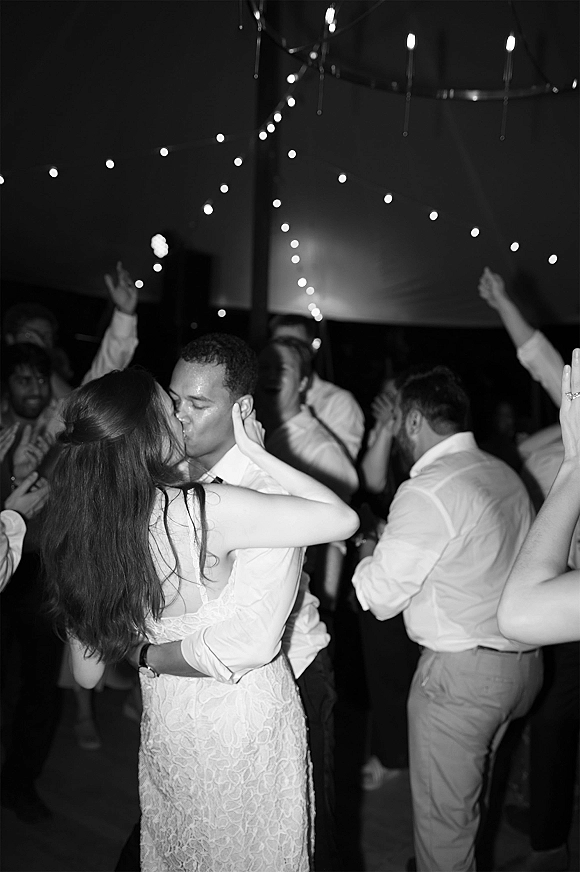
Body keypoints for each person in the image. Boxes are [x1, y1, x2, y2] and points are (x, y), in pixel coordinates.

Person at [41, 368, 358, 872]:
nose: (180, 418)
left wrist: (140, 649)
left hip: (171, 725)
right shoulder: (200, 510)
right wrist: (257, 452)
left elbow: (86, 673)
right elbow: (343, 519)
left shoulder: (80, 532)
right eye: (170, 409)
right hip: (242, 722)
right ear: (150, 432)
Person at [351, 364, 543, 872]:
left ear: (413, 421)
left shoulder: (428, 488)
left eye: (399, 422)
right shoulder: (503, 473)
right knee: (468, 807)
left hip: (462, 682)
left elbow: (380, 598)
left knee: (445, 835)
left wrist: (369, 546)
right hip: (520, 668)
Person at [479, 269, 579, 872]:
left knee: (555, 718)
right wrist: (502, 303)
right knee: (546, 717)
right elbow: (542, 359)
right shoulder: (564, 425)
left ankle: (549, 841)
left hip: (559, 599)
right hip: (549, 596)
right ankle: (543, 826)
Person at [356, 377, 419, 790]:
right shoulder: (384, 440)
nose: (386, 402)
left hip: (412, 559)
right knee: (384, 664)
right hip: (380, 562)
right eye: (385, 395)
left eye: (395, 398)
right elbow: (372, 482)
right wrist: (383, 429)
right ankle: (391, 752)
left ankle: (402, 752)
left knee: (406, 663)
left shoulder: (421, 449)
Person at [498, 347, 580, 644]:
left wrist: (575, 462)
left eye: (509, 416)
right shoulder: (524, 456)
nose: (507, 422)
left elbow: (519, 612)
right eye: (502, 417)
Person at [269, 314, 365, 462]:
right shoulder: (262, 395)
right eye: (278, 342)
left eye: (295, 345)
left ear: (312, 349)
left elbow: (338, 466)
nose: (285, 351)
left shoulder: (338, 402)